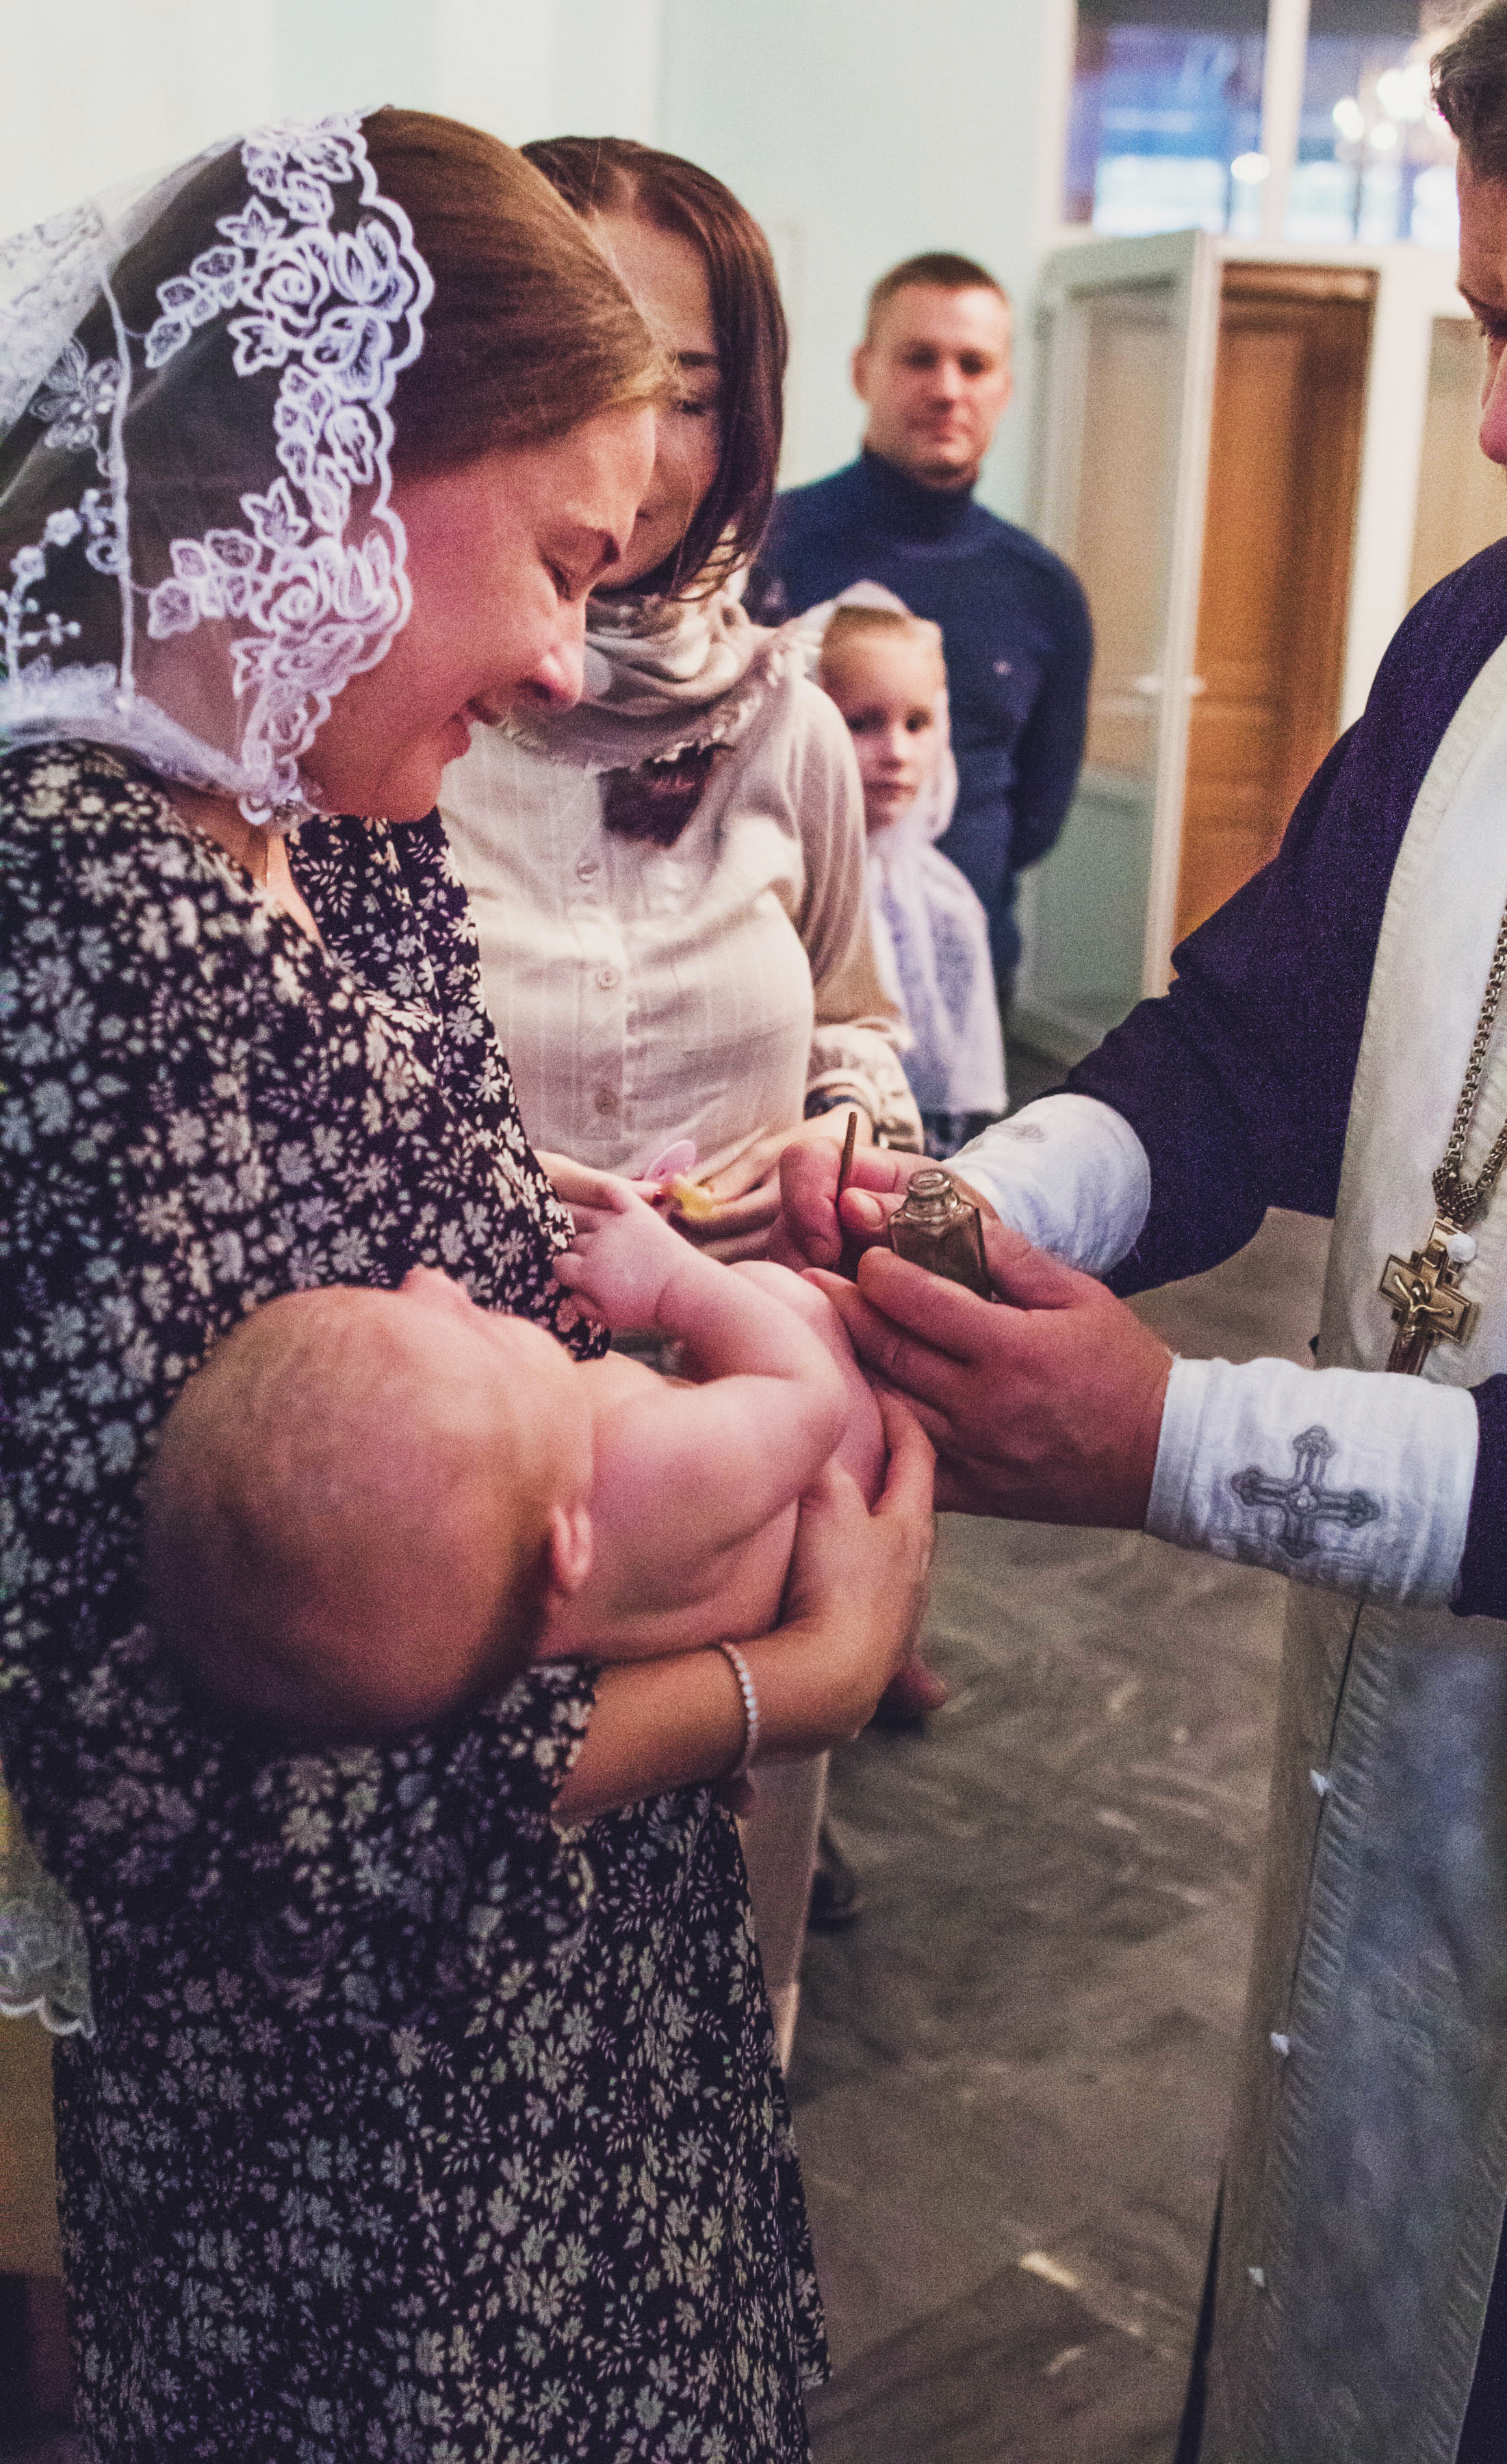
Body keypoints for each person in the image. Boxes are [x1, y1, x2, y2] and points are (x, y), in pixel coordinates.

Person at [0, 110, 934, 2461]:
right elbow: (166, 1798)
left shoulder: (339, 819)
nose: (551, 653)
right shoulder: (79, 923)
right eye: (551, 553)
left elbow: (448, 1279)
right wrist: (772, 1683)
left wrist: (667, 1260)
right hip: (355, 2150)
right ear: (338, 469)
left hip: (579, 2011)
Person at [775, 3, 1507, 2455]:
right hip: (1409, 1756)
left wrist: (1178, 1440)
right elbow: (1247, 1040)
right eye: (1496, 326)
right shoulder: (1490, 644)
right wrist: (967, 1201)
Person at [439, 133, 925, 1995]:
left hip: (751, 1449)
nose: (633, 435)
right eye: (579, 352)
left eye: (693, 390)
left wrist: (851, 1144)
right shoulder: (401, 721)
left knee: (715, 2020)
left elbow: (856, 1013)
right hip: (485, 1507)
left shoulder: (788, 723)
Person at [149, 1222, 886, 1741]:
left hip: (718, 1571)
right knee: (781, 1297)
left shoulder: (481, 1607)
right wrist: (674, 1286)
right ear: (565, 1545)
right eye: (482, 1331)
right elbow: (809, 1398)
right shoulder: (640, 1462)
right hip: (837, 1491)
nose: (432, 1282)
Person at [756, 251, 1094, 999]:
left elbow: (1035, 821)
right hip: (782, 973)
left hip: (960, 983)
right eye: (918, 359)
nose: (947, 389)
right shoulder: (761, 549)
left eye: (973, 365)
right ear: (861, 371)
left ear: (1004, 389)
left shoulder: (1043, 592)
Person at [812, 597, 1006, 1155]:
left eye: (917, 723)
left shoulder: (945, 900)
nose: (896, 752)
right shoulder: (793, 884)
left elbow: (957, 1080)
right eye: (862, 723)